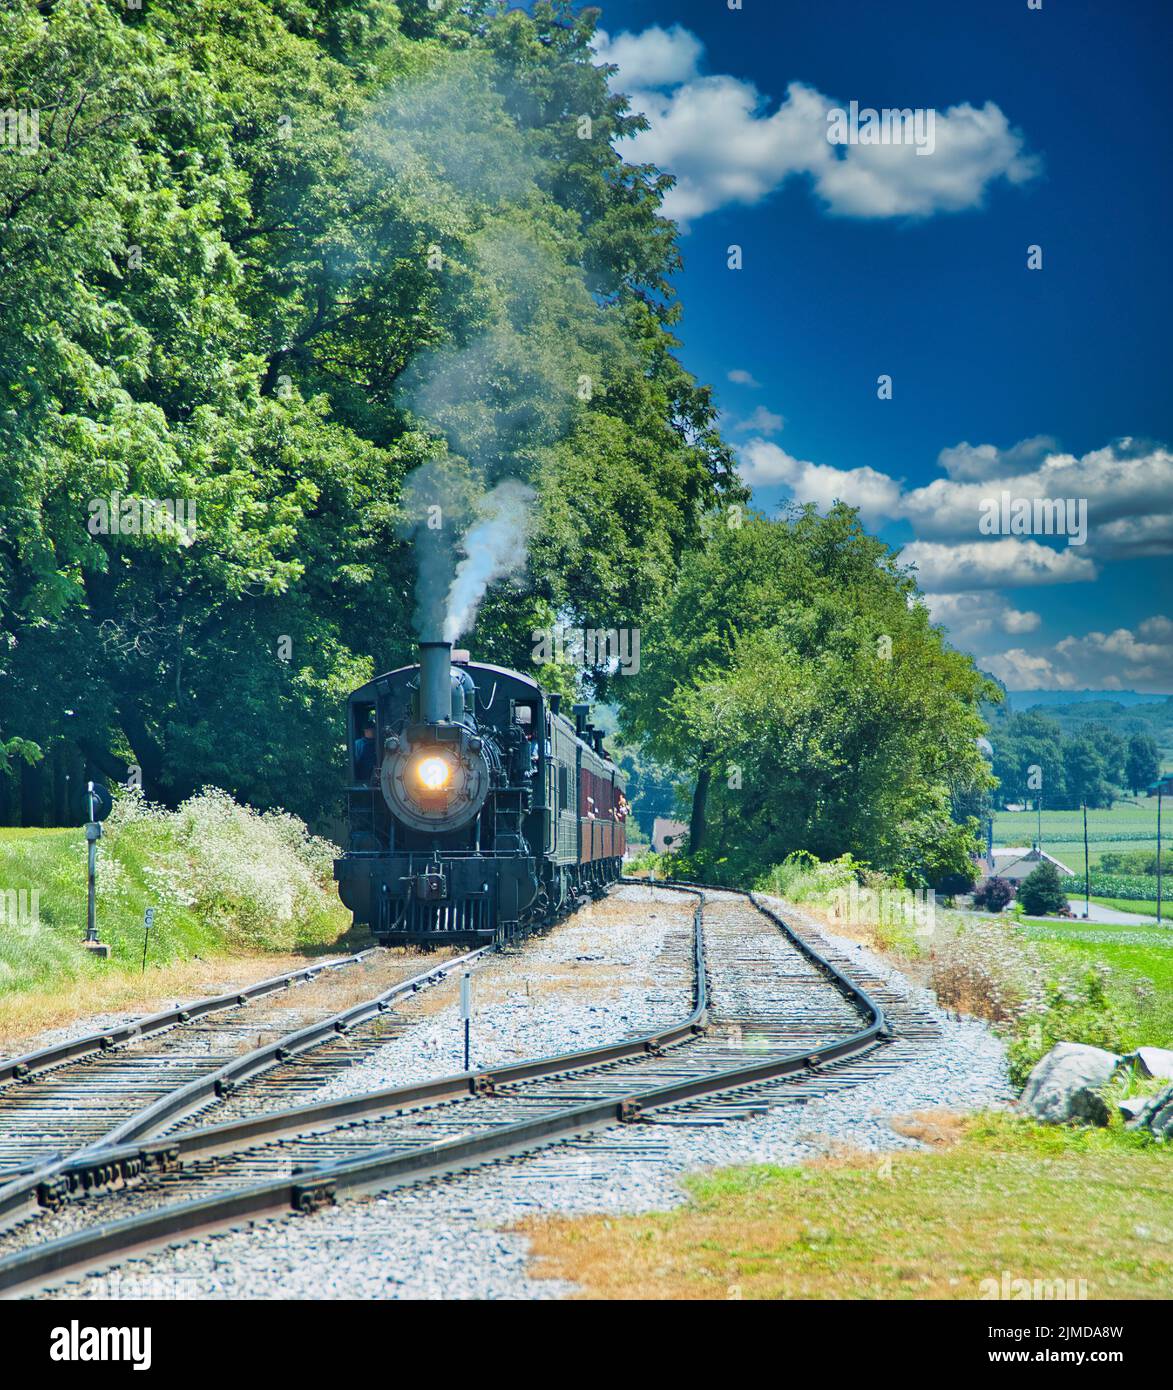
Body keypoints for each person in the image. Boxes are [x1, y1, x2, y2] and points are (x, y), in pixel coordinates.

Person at [354, 719, 377, 784]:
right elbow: (355, 760)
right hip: (363, 778)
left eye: (373, 729)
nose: (372, 731)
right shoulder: (358, 744)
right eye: (370, 729)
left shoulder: (379, 743)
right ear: (365, 730)